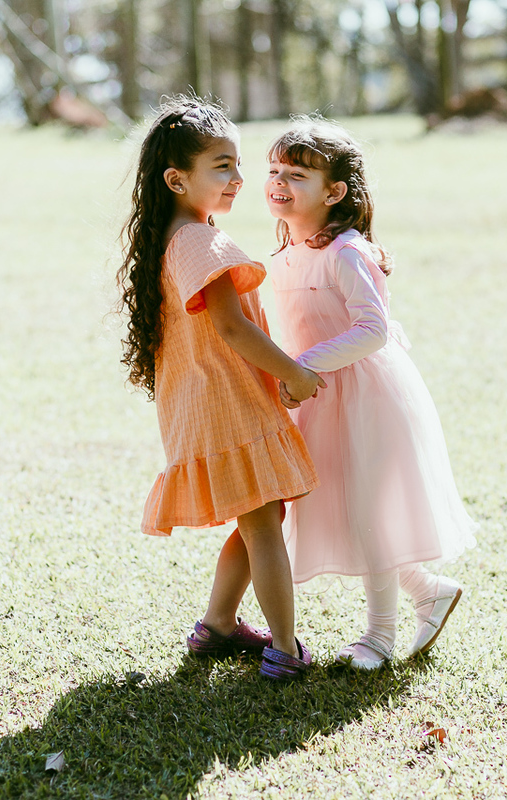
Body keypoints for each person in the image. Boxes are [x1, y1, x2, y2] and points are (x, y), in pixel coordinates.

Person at [116, 98, 326, 680]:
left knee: (260, 514)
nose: (238, 179)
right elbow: (232, 328)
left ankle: (219, 624)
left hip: (203, 402)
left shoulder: (178, 236)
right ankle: (284, 647)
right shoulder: (200, 243)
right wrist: (293, 371)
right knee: (263, 523)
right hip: (226, 402)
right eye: (222, 166)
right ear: (177, 178)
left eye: (237, 164)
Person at [264, 117, 479, 670]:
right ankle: (428, 590)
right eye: (274, 171)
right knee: (345, 506)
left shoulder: (347, 252)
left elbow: (372, 329)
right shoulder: (284, 252)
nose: (279, 181)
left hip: (365, 394)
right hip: (318, 396)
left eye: (297, 174)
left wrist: (302, 366)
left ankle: (379, 637)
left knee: (369, 509)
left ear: (334, 192)